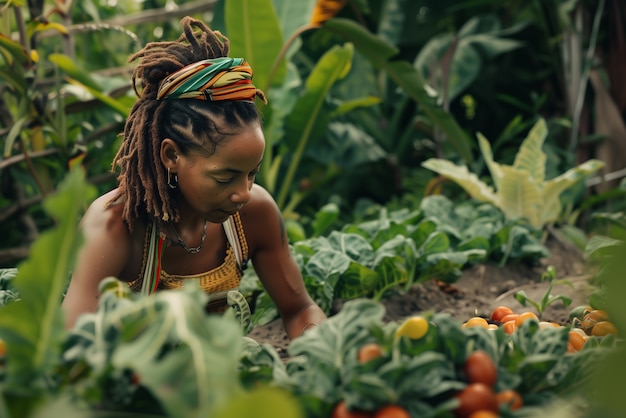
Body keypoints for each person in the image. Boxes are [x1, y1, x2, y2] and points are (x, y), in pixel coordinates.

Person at [62, 16, 327, 340]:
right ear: (171, 156)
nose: (243, 192)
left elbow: (299, 309)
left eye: (251, 174)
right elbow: (73, 348)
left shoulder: (255, 214)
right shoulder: (113, 229)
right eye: (225, 177)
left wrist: (318, 349)